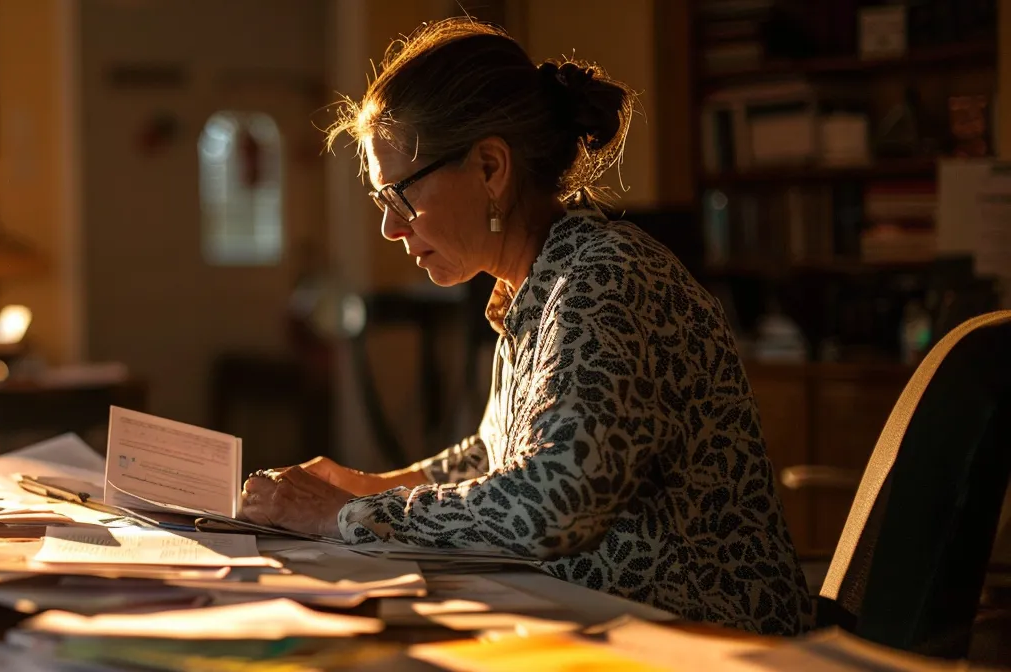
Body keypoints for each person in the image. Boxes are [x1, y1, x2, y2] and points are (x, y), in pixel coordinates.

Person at [235, 18, 814, 636]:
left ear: (490, 167)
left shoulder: (605, 280)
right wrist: (372, 483)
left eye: (399, 196)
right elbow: (497, 452)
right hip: (613, 625)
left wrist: (349, 514)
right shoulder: (535, 285)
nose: (391, 229)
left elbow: (552, 503)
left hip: (713, 641)